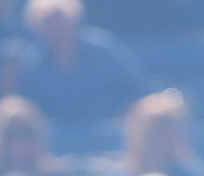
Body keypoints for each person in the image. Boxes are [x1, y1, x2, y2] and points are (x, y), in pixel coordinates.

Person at [12, 0, 147, 124]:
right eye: (48, 24)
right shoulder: (30, 64)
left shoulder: (104, 52)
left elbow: (138, 92)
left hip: (106, 141)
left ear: (74, 20)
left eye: (61, 21)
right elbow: (24, 110)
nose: (56, 30)